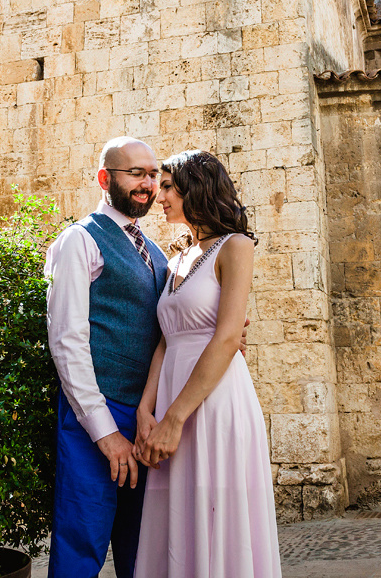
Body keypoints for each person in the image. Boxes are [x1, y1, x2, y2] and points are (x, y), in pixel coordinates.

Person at [133, 150, 282, 578]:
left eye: (166, 186)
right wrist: (148, 409)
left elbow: (228, 336)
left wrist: (174, 419)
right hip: (170, 403)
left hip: (214, 403)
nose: (158, 196)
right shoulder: (175, 260)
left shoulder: (235, 247)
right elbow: (166, 339)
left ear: (194, 187)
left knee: (218, 513)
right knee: (176, 514)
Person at [45, 137, 169, 578]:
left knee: (144, 554)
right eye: (136, 173)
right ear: (105, 178)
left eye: (153, 175)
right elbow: (66, 340)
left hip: (146, 423)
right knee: (81, 551)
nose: (148, 184)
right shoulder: (80, 240)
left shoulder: (156, 253)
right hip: (93, 419)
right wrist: (105, 433)